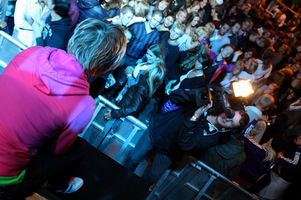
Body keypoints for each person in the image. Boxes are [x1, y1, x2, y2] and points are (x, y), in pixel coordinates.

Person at [0, 19, 127, 199]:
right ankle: (55, 184)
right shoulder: (83, 105)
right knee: (77, 148)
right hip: (4, 182)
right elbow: (56, 150)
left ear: (76, 37)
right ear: (105, 66)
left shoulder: (33, 52)